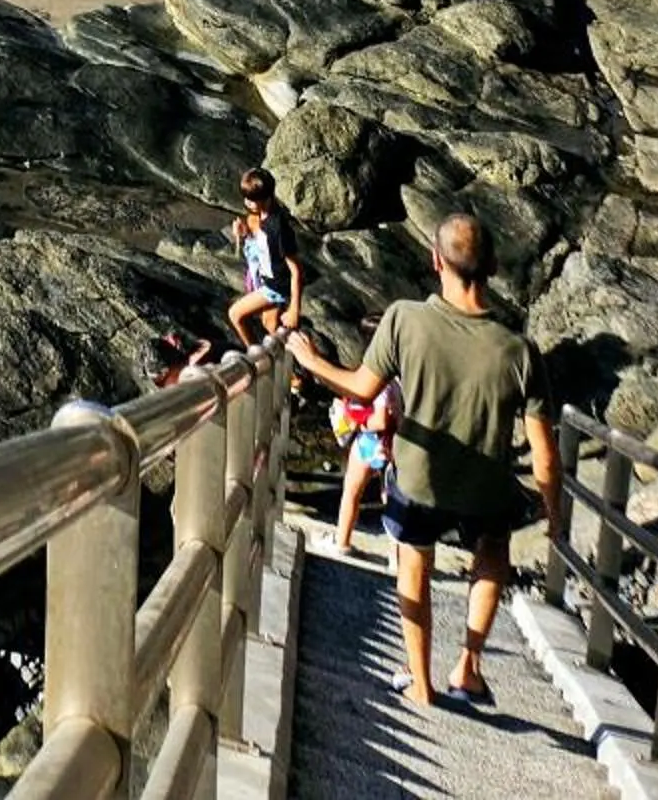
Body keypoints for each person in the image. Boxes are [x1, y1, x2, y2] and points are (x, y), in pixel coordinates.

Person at [291, 212, 559, 710]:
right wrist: (554, 512)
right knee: (492, 552)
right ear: (493, 266)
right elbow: (544, 451)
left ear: (436, 260)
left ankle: (420, 681)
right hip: (486, 488)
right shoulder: (520, 352)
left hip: (418, 478)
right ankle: (468, 666)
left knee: (414, 560)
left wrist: (312, 362)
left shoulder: (404, 319)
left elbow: (360, 388)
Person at [227, 167, 303, 345]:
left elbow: (296, 271)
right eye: (246, 198)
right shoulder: (257, 215)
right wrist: (244, 234)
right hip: (264, 278)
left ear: (266, 197)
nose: (247, 203)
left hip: (276, 286)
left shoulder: (278, 228)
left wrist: (294, 309)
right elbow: (261, 246)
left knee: (235, 314)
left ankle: (256, 355)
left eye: (251, 199)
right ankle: (293, 358)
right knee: (270, 326)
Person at [332, 376, 401, 553]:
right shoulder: (399, 382)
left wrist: (358, 425)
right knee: (391, 499)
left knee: (352, 491)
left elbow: (380, 420)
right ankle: (396, 556)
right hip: (394, 443)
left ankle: (342, 543)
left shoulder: (381, 383)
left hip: (372, 440)